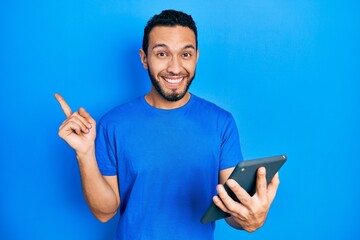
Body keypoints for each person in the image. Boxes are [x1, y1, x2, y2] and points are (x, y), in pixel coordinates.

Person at [55, 9, 280, 240]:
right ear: (144, 59)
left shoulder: (221, 123)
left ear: (196, 57)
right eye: (162, 54)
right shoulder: (112, 124)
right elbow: (105, 212)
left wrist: (251, 217)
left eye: (185, 54)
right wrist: (84, 154)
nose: (175, 67)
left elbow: (232, 210)